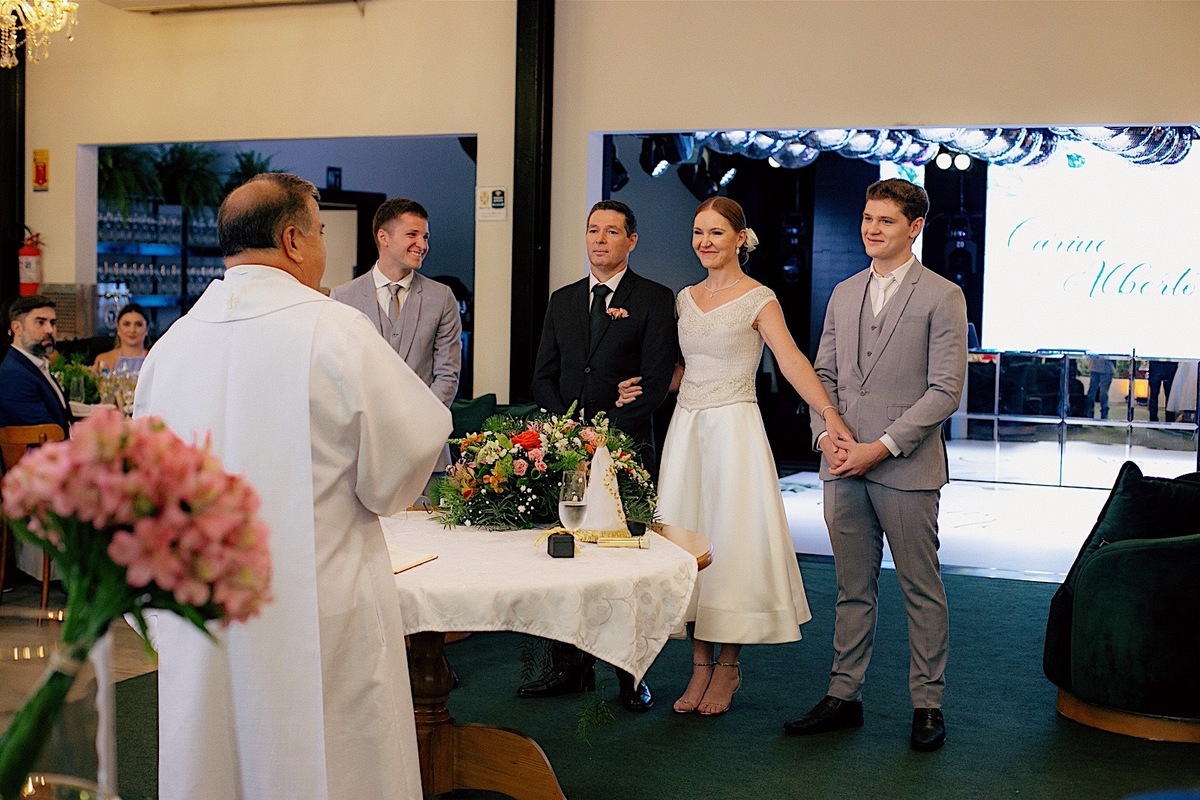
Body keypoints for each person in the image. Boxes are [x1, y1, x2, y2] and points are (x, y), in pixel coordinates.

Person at [134, 173, 451, 800]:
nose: (324, 246)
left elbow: (144, 488)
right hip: (317, 600)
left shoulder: (170, 347)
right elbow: (402, 464)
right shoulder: (335, 330)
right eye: (321, 230)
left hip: (205, 602)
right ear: (292, 240)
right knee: (332, 759)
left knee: (214, 753)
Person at [646, 197, 854, 717]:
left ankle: (728, 667)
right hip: (687, 429)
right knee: (686, 536)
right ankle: (697, 665)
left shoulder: (758, 298)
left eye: (716, 232)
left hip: (734, 429)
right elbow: (681, 369)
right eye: (698, 232)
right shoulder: (684, 298)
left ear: (741, 238)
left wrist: (828, 412)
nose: (705, 242)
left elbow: (790, 360)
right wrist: (635, 388)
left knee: (730, 540)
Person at [784, 179, 967, 752]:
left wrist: (880, 446)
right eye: (867, 217)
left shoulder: (943, 295)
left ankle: (927, 706)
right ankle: (844, 696)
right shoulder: (843, 292)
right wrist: (826, 436)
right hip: (842, 464)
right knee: (851, 588)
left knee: (921, 590)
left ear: (914, 228)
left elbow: (945, 391)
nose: (870, 228)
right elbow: (825, 376)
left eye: (885, 220)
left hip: (905, 469)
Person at [526, 199, 678, 712]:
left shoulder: (655, 299)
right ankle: (567, 667)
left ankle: (631, 675)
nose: (600, 239)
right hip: (567, 452)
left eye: (612, 231)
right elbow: (543, 375)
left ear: (631, 241)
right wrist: (570, 435)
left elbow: (656, 382)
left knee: (624, 564)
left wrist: (607, 439)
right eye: (593, 229)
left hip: (627, 449)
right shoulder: (563, 300)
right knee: (564, 560)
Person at [330, 198, 462, 479]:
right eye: (412, 234)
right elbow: (339, 377)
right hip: (363, 455)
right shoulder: (343, 298)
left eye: (425, 236)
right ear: (384, 237)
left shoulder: (442, 298)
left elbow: (447, 376)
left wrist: (415, 426)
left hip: (426, 454)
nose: (422, 244)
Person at [0, 294, 71, 436]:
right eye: (40, 322)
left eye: (53, 323)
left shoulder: (34, 365)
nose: (49, 330)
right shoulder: (14, 374)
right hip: (39, 456)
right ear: (17, 328)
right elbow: (46, 434)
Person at [92, 303, 150, 375]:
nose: (132, 330)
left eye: (138, 324)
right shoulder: (103, 359)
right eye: (126, 324)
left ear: (147, 329)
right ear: (118, 328)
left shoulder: (155, 359)